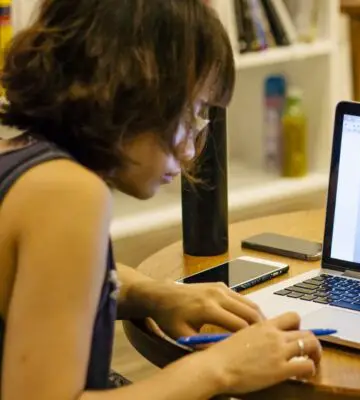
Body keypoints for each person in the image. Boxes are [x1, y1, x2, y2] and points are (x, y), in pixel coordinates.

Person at [0, 0, 321, 398]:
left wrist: (153, 294)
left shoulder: (19, 155)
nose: (190, 149)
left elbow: (48, 289)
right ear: (134, 91)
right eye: (191, 113)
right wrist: (220, 368)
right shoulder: (70, 194)